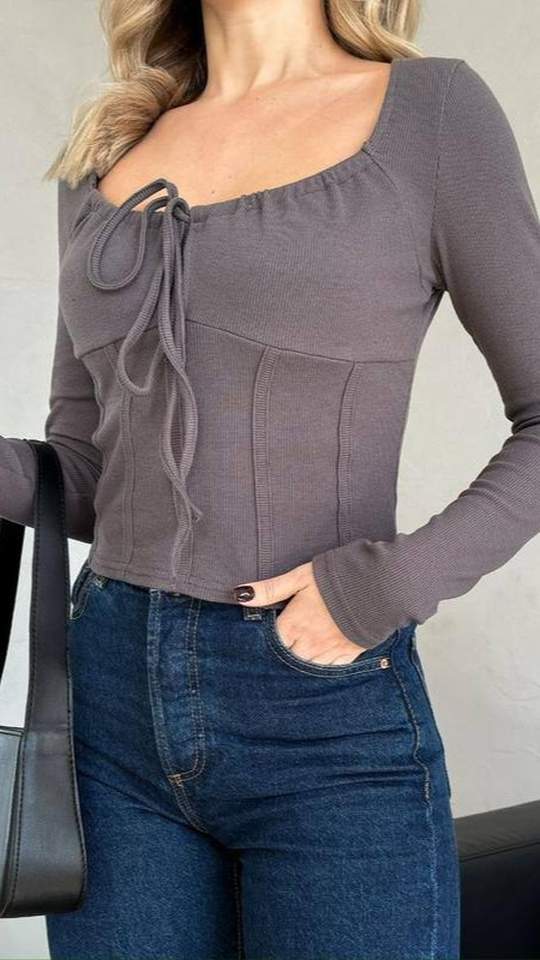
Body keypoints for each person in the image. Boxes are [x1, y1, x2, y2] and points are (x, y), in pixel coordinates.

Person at [2, 0, 539, 957]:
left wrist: (381, 588)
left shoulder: (431, 115)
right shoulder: (105, 152)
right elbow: (85, 475)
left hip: (322, 713)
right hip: (108, 708)